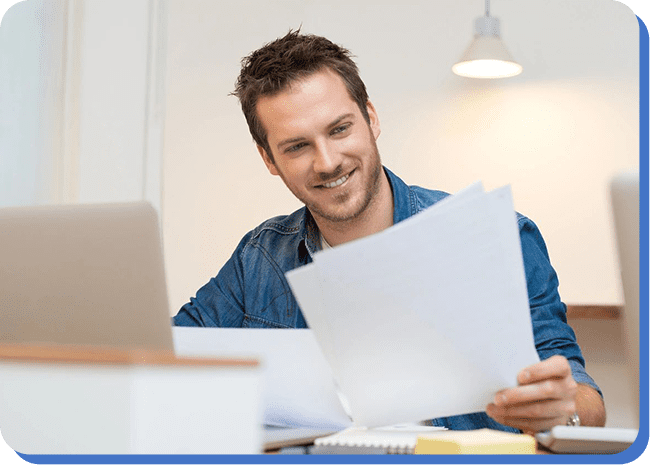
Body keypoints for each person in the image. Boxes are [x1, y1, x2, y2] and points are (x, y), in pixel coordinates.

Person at [173, 30, 606, 433]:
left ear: (371, 119)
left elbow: (587, 403)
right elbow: (163, 357)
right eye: (297, 146)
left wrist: (563, 410)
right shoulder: (260, 258)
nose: (327, 161)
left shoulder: (502, 238)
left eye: (339, 129)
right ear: (269, 159)